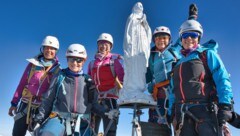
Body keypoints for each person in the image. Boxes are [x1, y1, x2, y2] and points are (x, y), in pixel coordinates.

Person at [168, 17, 235, 136]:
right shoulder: (177, 64)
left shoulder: (207, 54)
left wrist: (225, 105)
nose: (189, 38)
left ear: (198, 38)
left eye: (193, 35)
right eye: (185, 35)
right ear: (181, 39)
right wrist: (171, 112)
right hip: (182, 115)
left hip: (205, 112)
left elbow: (222, 78)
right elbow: (173, 91)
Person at [34, 44, 119, 136]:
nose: (75, 63)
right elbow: (48, 100)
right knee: (47, 134)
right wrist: (39, 120)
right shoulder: (59, 77)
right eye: (72, 59)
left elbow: (94, 105)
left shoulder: (88, 81)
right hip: (59, 120)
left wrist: (107, 112)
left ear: (84, 61)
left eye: (79, 60)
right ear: (67, 59)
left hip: (82, 123)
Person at [8, 36, 61, 136]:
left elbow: (56, 92)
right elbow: (22, 83)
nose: (49, 50)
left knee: (40, 134)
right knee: (17, 133)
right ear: (42, 48)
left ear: (56, 50)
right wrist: (14, 103)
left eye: (52, 48)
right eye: (46, 47)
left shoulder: (58, 70)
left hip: (42, 108)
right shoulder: (32, 65)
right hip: (25, 104)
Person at [145, 26, 180, 135]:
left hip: (176, 93)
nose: (161, 40)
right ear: (154, 40)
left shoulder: (175, 50)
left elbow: (187, 36)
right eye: (158, 38)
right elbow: (148, 77)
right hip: (159, 96)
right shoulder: (151, 56)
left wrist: (192, 17)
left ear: (169, 39)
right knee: (159, 128)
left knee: (179, 125)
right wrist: (151, 90)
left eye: (164, 37)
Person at [88, 33, 124, 136]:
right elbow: (88, 81)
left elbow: (122, 78)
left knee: (110, 131)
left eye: (106, 44)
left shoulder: (114, 61)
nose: (103, 46)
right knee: (91, 130)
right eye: (101, 43)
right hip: (95, 100)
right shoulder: (91, 63)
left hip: (110, 100)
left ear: (110, 47)